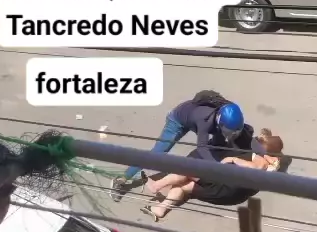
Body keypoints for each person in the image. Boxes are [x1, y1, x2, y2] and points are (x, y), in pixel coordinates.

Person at [110, 90, 246, 202]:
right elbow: (202, 148)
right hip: (177, 122)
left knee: (219, 145)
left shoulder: (229, 111)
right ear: (220, 121)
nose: (230, 134)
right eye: (228, 131)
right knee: (156, 154)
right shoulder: (205, 120)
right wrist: (218, 167)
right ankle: (122, 179)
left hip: (193, 118)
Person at [141, 131, 284, 221]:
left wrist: (234, 159)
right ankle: (161, 209)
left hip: (224, 185)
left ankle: (156, 186)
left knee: (188, 169)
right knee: (185, 186)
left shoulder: (261, 160)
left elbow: (256, 168)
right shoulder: (272, 165)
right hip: (230, 195)